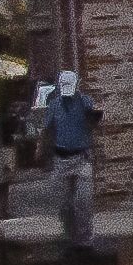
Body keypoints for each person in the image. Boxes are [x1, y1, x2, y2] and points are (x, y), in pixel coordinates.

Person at [45, 71, 105, 252]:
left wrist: (94, 116)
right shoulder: (54, 104)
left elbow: (93, 124)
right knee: (65, 204)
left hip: (81, 158)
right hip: (61, 158)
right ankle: (70, 238)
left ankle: (85, 241)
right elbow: (48, 130)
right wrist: (44, 154)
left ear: (77, 85)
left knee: (83, 202)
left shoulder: (85, 101)